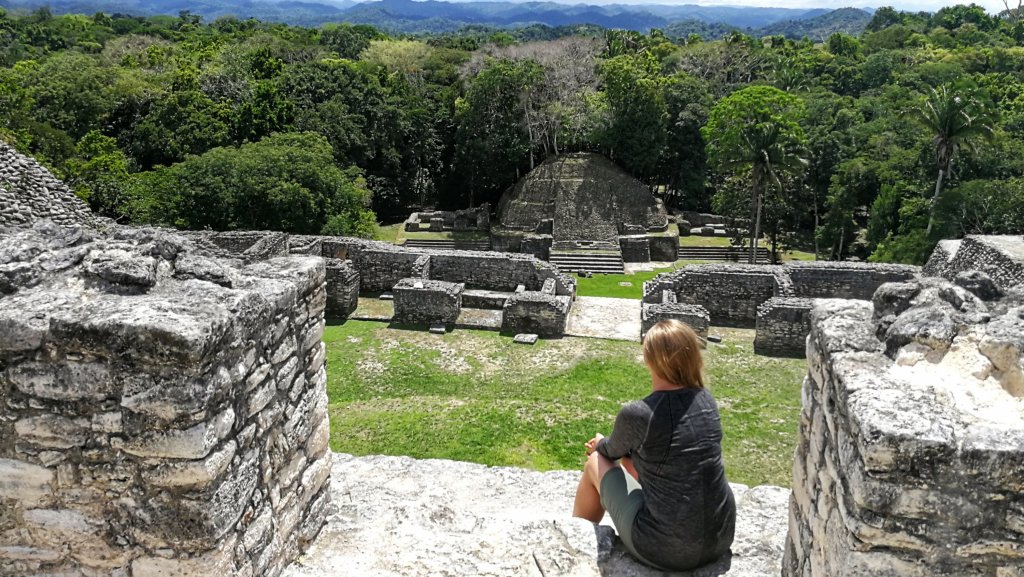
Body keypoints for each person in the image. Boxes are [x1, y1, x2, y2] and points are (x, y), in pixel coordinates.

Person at [572, 319, 736, 571]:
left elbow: (608, 452)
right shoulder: (707, 401)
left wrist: (600, 441)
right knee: (631, 462)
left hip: (666, 549)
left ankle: (575, 540)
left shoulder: (639, 414)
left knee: (595, 461)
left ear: (649, 359)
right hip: (720, 536)